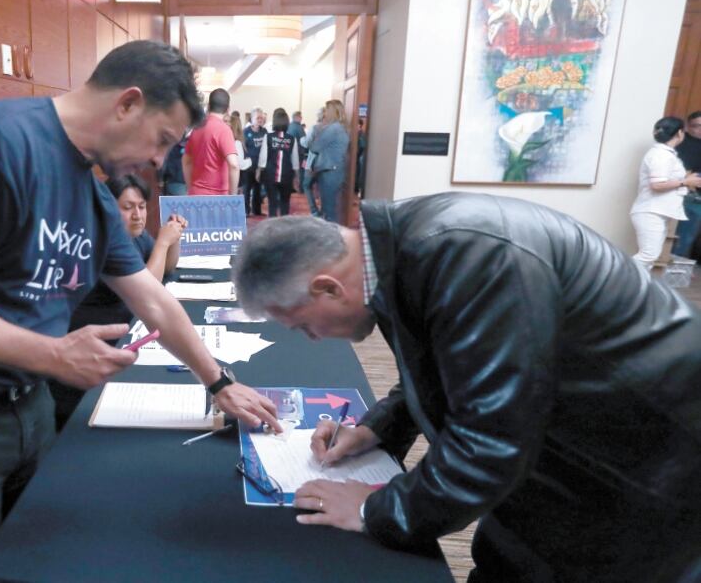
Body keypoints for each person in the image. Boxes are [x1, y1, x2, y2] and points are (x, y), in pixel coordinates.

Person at [0, 40, 279, 583]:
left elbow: (152, 297)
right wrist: (52, 354)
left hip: (25, 407)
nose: (160, 162)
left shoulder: (89, 193)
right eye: (162, 140)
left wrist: (217, 383)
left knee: (38, 562)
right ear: (128, 103)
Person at [232, 197, 701, 583]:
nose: (312, 339)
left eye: (301, 326)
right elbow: (450, 368)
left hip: (645, 460)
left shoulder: (469, 256)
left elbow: (491, 442)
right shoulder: (399, 253)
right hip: (565, 444)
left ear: (328, 288)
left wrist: (377, 510)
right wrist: (376, 429)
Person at [49, 173, 187, 430]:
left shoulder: (136, 236)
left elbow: (166, 269)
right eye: (127, 208)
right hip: (96, 345)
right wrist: (162, 243)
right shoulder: (102, 241)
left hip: (125, 335)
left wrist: (173, 241)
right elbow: (149, 288)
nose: (138, 215)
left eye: (142, 206)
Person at [630, 116, 701, 270]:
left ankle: (634, 290)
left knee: (650, 257)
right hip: (651, 211)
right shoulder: (661, 155)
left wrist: (687, 179)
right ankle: (609, 281)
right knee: (648, 255)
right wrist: (686, 182)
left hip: (658, 211)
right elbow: (657, 184)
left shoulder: (666, 154)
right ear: (680, 133)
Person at [183, 87, 240, 195]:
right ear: (228, 109)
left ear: (208, 107)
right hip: (218, 197)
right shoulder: (224, 130)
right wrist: (233, 196)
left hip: (196, 193)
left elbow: (186, 161)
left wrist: (191, 187)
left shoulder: (196, 128)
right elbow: (234, 165)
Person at [257, 107, 300, 217]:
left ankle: (272, 229)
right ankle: (283, 229)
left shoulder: (268, 137)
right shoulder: (292, 139)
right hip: (286, 175)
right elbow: (295, 161)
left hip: (270, 175)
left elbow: (263, 158)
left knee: (272, 204)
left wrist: (258, 171)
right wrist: (297, 177)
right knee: (285, 203)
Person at [313, 99, 350, 223]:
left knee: (329, 210)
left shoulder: (332, 129)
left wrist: (318, 130)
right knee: (332, 208)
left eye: (327, 110)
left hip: (329, 171)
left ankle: (331, 239)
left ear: (333, 112)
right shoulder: (343, 128)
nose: (325, 114)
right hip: (338, 170)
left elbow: (314, 146)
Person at [673, 110, 701, 259]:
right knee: (679, 234)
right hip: (682, 193)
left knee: (689, 235)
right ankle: (673, 264)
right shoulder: (680, 142)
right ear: (688, 127)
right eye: (697, 126)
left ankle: (682, 265)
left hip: (697, 197)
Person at [243, 107, 268, 216]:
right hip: (248, 167)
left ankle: (257, 210)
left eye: (262, 118)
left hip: (260, 166)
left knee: (258, 189)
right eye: (258, 118)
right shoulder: (246, 132)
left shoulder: (264, 131)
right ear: (252, 119)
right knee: (247, 190)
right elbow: (243, 149)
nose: (260, 120)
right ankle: (245, 211)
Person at [302, 107, 325, 217]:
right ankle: (324, 210)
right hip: (327, 163)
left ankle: (314, 210)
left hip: (313, 162)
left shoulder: (315, 128)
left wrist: (302, 139)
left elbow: (306, 143)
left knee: (306, 185)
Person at [227, 112, 252, 190]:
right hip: (237, 179)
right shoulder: (237, 143)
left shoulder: (228, 141)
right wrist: (250, 161)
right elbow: (240, 164)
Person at [158, 131, 188, 195]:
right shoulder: (173, 149)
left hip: (175, 180)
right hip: (177, 181)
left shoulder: (172, 148)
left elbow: (164, 164)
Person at [288, 111, 307, 192]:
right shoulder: (299, 127)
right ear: (296, 117)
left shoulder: (289, 126)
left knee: (291, 171)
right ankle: (301, 188)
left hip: (289, 151)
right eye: (300, 117)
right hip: (299, 152)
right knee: (301, 170)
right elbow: (304, 140)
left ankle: (290, 187)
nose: (301, 118)